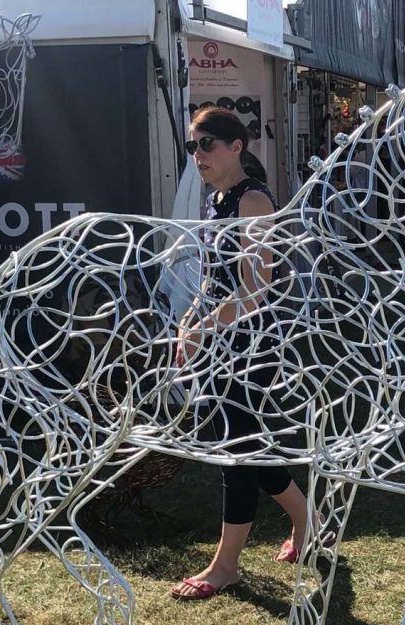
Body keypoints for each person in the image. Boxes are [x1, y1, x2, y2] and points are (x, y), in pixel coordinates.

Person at [171, 106, 312, 600]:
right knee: (248, 444)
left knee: (237, 450)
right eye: (193, 145)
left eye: (207, 144)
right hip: (220, 337)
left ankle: (225, 565)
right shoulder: (217, 200)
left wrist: (203, 327)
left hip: (250, 342)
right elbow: (216, 277)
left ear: (237, 147)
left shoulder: (251, 201)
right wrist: (191, 321)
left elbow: (256, 289)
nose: (198, 155)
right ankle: (307, 521)